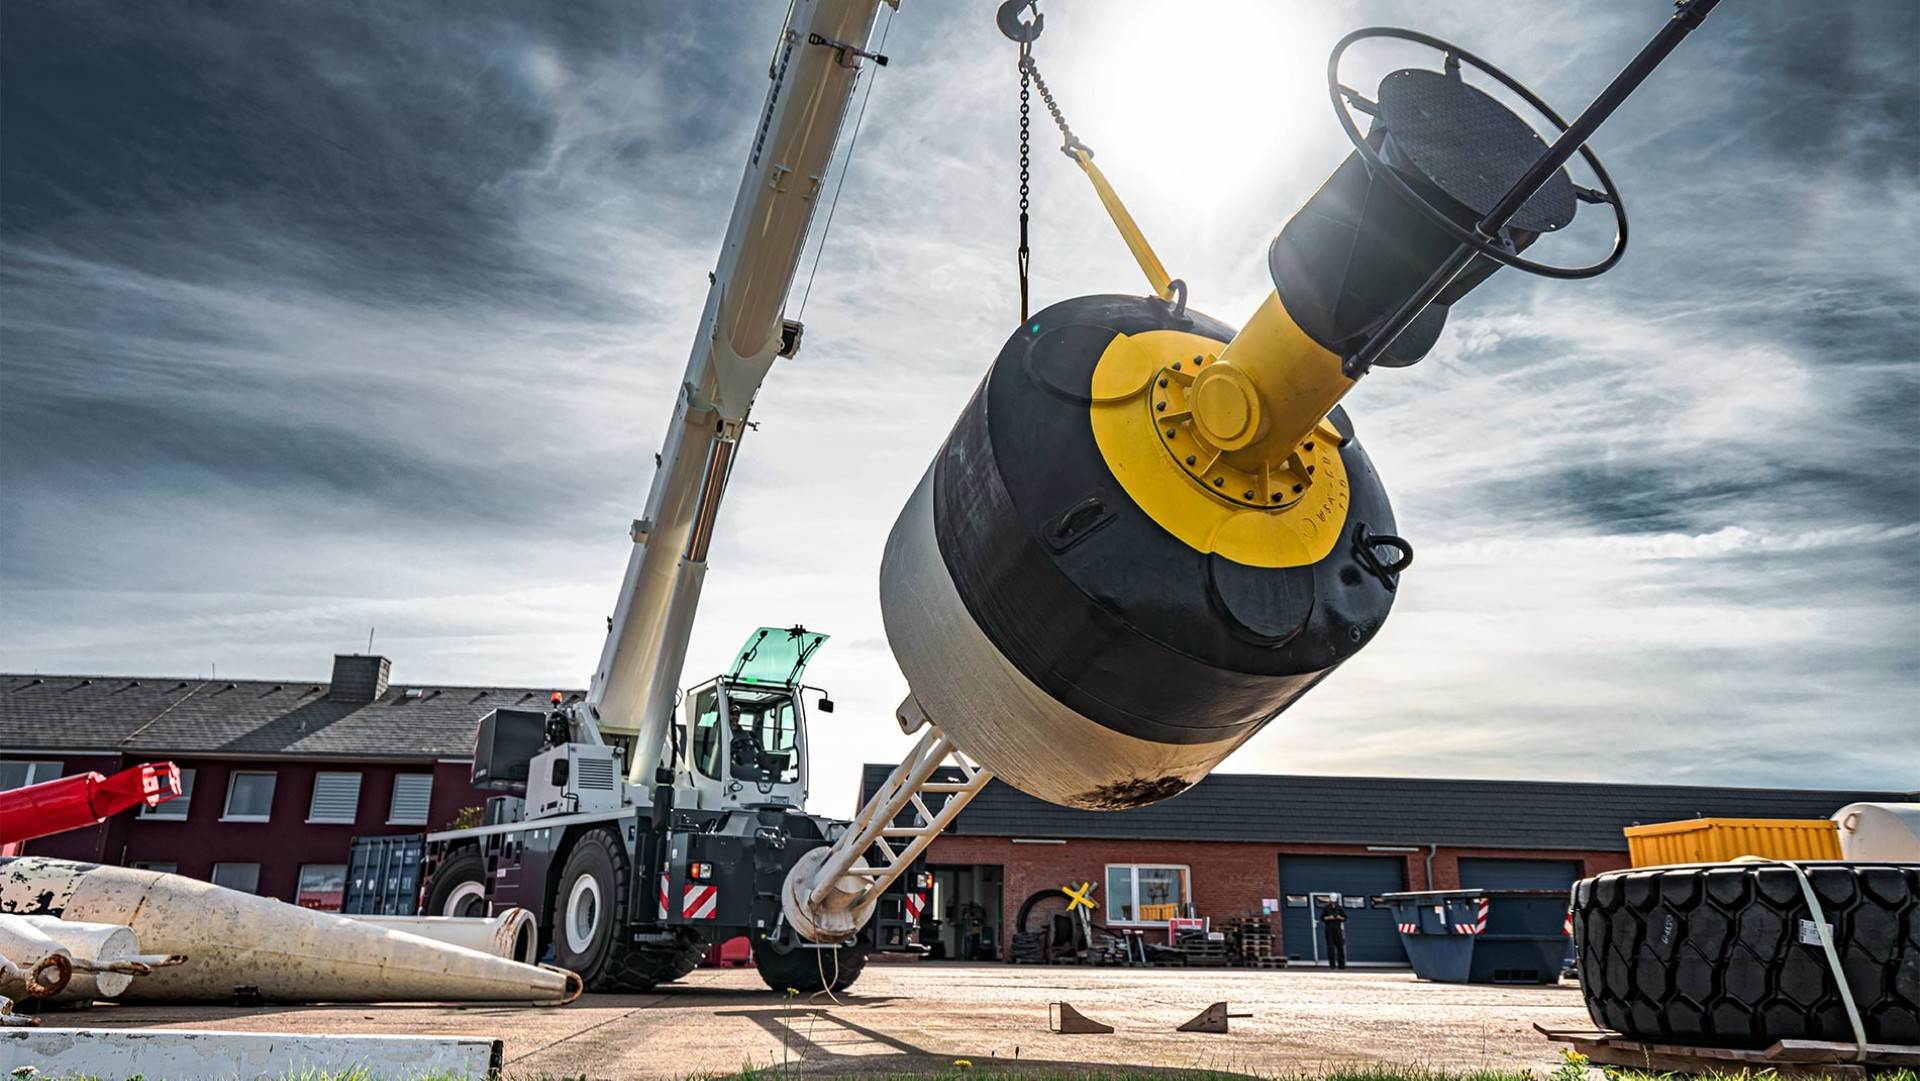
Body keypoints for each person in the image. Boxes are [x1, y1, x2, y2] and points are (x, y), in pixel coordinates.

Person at [727, 705, 762, 782]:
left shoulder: (744, 733)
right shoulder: (723, 731)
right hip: (728, 763)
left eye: (737, 715)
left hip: (744, 762)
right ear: (727, 715)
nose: (735, 717)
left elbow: (750, 745)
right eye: (732, 714)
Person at [1320, 899, 1349, 969]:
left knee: (1340, 947)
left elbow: (1345, 918)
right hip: (1329, 929)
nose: (1333, 902)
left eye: (1334, 901)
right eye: (1332, 901)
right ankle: (1332, 965)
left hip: (1337, 929)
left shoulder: (1339, 908)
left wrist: (1339, 917)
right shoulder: (1326, 908)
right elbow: (1322, 918)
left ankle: (1341, 965)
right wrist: (1329, 917)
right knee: (1330, 948)